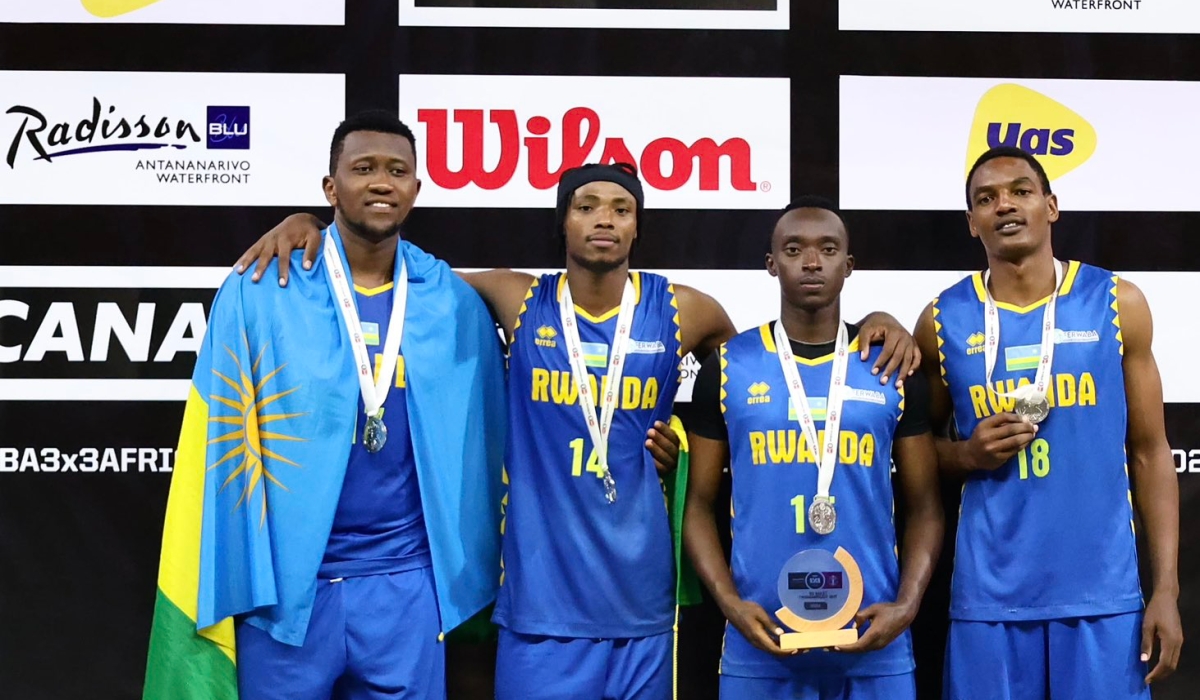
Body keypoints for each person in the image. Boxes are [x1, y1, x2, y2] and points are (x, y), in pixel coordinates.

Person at [236, 164, 922, 699]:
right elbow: (395, 271)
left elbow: (777, 378)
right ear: (561, 222)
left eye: (621, 210)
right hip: (540, 608)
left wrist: (876, 325)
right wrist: (310, 223)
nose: (605, 220)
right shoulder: (516, 298)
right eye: (588, 206)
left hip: (643, 609)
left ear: (636, 230)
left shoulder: (685, 310)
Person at [144, 110, 507, 700]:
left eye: (397, 170)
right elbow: (220, 439)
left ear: (418, 188)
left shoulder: (455, 304)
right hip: (288, 590)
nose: (381, 182)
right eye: (363, 168)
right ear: (330, 187)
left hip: (405, 587)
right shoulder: (263, 287)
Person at [913, 146, 1183, 699]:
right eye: (986, 199)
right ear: (971, 222)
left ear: (1051, 206)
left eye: (1020, 191)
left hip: (1102, 596)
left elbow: (1152, 453)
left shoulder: (1117, 303)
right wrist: (965, 454)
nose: (1004, 206)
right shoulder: (941, 318)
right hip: (989, 598)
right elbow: (915, 453)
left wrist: (1166, 591)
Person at [683, 197, 944, 699]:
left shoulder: (889, 367)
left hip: (874, 636)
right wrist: (729, 604)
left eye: (827, 249)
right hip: (761, 637)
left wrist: (907, 605)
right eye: (793, 248)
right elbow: (697, 504)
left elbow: (926, 505)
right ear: (770, 264)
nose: (810, 262)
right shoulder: (728, 366)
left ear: (848, 266)